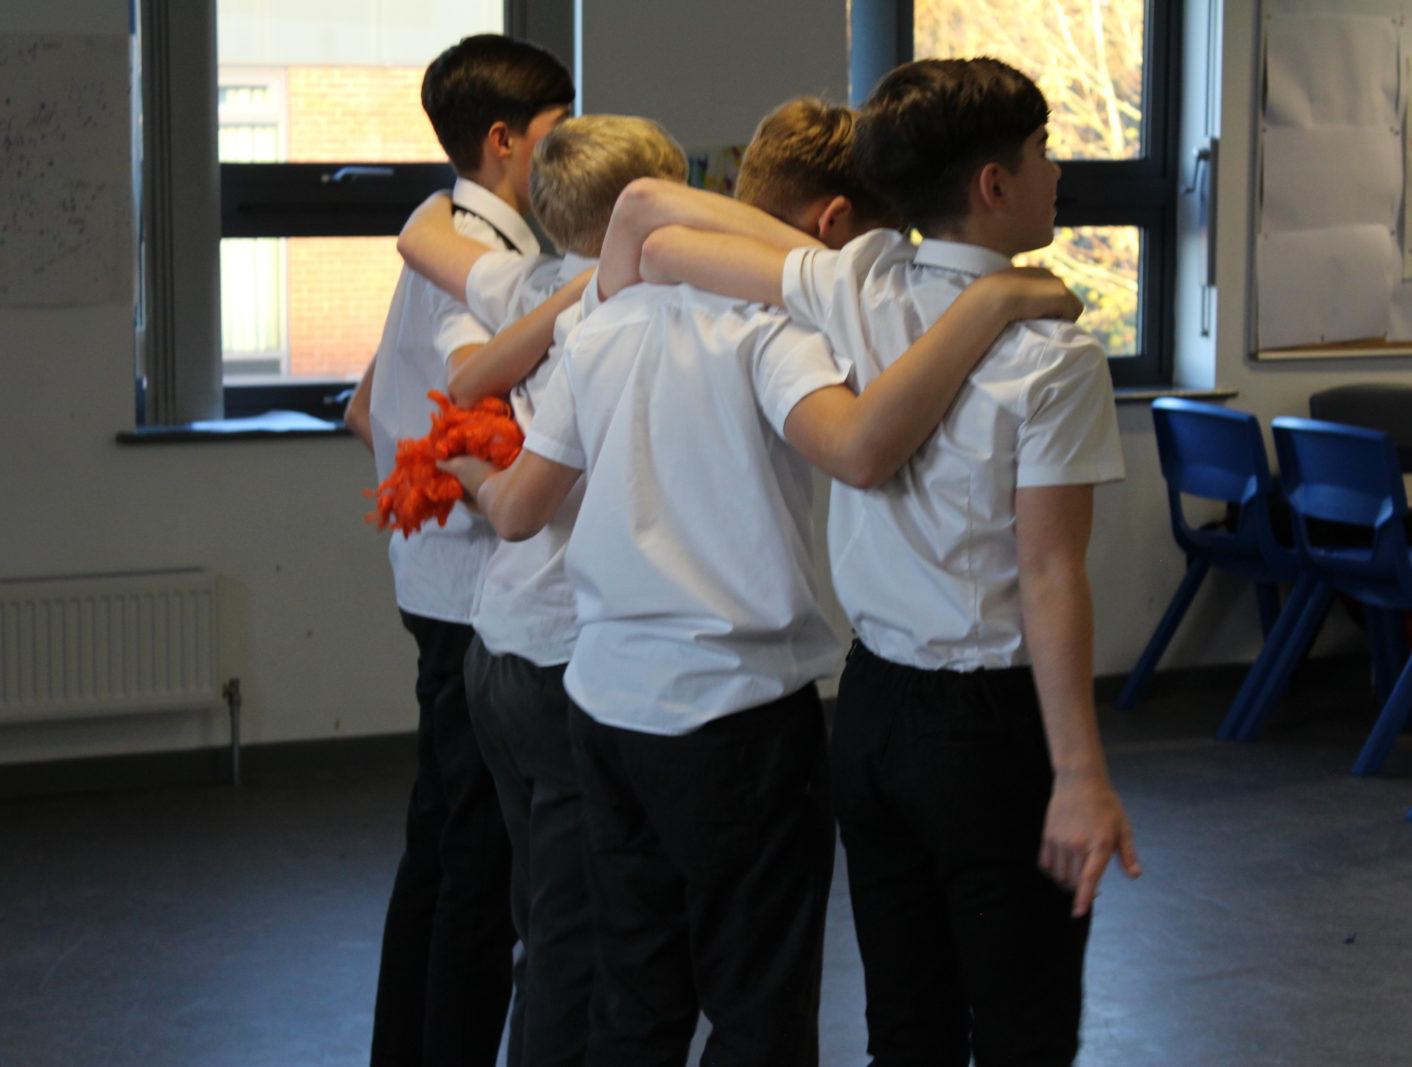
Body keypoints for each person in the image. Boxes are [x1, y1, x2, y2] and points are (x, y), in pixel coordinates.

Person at [440, 97, 1084, 1066]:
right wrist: (990, 301)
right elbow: (859, 450)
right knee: (757, 1006)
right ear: (831, 228)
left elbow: (527, 487)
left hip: (605, 697)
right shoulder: (773, 329)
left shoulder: (606, 312)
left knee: (636, 991)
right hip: (730, 711)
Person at [636, 58, 1144, 1066]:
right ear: (993, 186)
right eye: (1042, 156)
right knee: (1021, 1031)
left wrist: (995, 293)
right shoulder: (1056, 357)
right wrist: (1079, 774)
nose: (1057, 177)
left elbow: (661, 239)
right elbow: (1048, 575)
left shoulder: (854, 280)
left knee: (905, 1029)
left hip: (869, 717)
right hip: (991, 733)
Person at [390, 113, 688, 1067]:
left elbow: (423, 239)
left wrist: (457, 452)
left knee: (544, 915)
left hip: (501, 643)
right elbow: (520, 507)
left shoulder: (533, 283)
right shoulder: (639, 313)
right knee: (575, 937)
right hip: (565, 656)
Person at [342, 33, 573, 1067]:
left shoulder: (449, 234)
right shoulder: (491, 265)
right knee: (474, 870)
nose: (564, 159)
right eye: (554, 137)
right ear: (501, 141)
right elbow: (465, 397)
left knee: (443, 850)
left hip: (438, 579)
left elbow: (364, 408)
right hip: (475, 590)